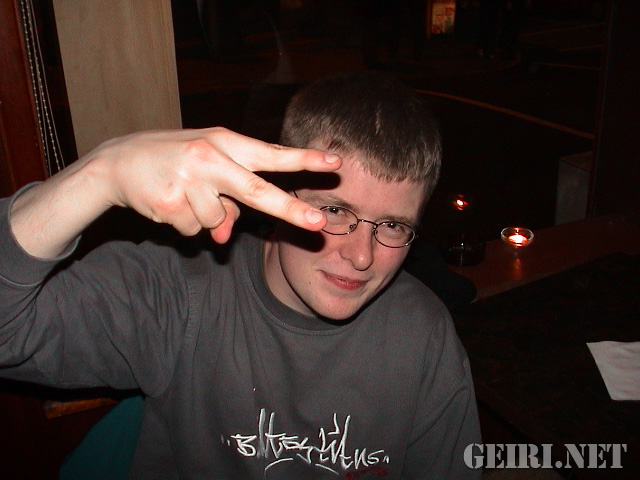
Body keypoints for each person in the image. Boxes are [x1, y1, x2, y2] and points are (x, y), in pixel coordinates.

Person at [0, 71, 481, 479]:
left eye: (393, 225)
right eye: (334, 211)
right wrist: (99, 174)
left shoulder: (423, 333)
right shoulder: (179, 291)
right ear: (275, 192)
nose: (361, 256)